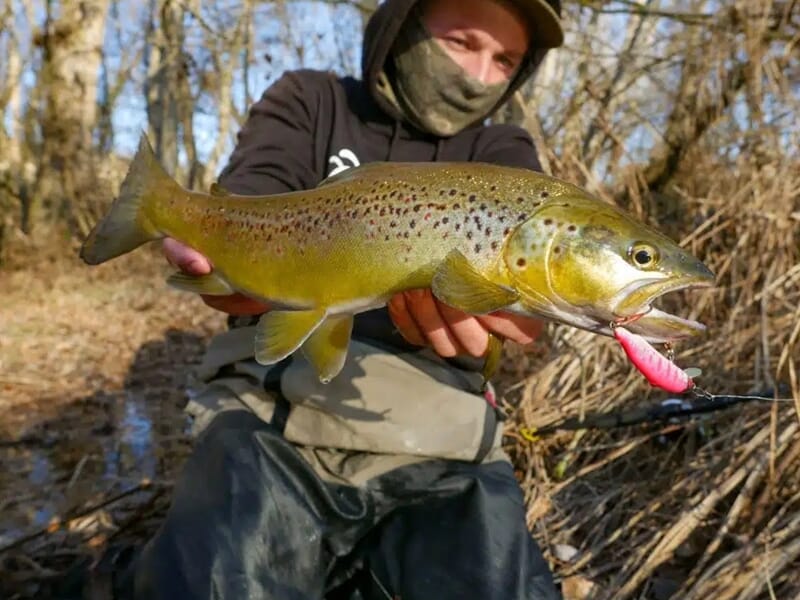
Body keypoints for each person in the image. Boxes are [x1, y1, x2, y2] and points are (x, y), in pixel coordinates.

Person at [134, 0, 565, 598]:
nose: (479, 75)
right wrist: (225, 264)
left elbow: (526, 322)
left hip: (441, 438)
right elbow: (250, 199)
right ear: (401, 27)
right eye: (463, 42)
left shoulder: (504, 154)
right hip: (272, 414)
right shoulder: (312, 100)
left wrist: (516, 322)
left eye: (506, 60)